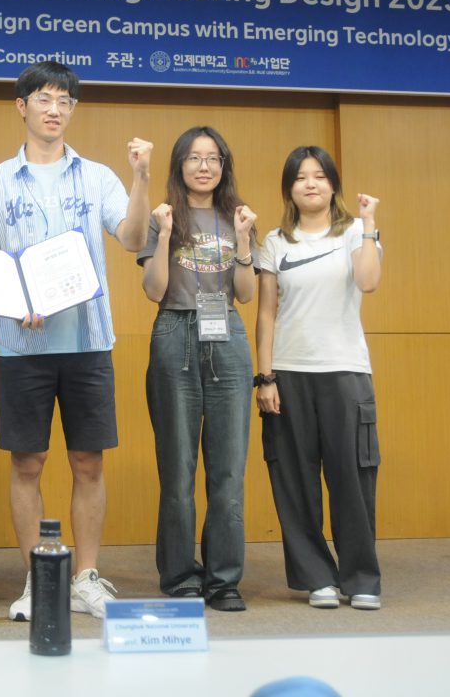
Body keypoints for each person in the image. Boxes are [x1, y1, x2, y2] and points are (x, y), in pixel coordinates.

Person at [0, 61, 152, 621]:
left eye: (64, 101)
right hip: (21, 348)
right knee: (28, 462)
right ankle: (39, 580)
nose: (54, 109)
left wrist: (141, 177)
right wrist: (13, 304)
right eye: (44, 99)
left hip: (87, 343)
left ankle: (86, 576)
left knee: (88, 461)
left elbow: (133, 237)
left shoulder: (99, 177)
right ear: (22, 107)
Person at [254, 146, 383, 610]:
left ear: (333, 184)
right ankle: (317, 578)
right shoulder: (275, 242)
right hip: (289, 374)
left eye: (319, 176)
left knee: (352, 479)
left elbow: (368, 282)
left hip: (345, 371)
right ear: (288, 188)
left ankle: (361, 578)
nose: (310, 184)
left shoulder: (355, 233)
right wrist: (264, 377)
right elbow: (266, 314)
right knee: (295, 482)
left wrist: (369, 224)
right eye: (300, 177)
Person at [139, 126, 257, 612]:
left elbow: (245, 294)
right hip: (175, 331)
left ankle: (224, 579)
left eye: (213, 158)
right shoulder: (164, 215)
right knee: (178, 468)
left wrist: (244, 242)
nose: (204, 166)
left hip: (227, 335)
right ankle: (179, 574)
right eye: (194, 157)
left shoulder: (239, 216)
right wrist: (166, 236)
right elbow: (154, 290)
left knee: (228, 470)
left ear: (224, 166)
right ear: (179, 165)